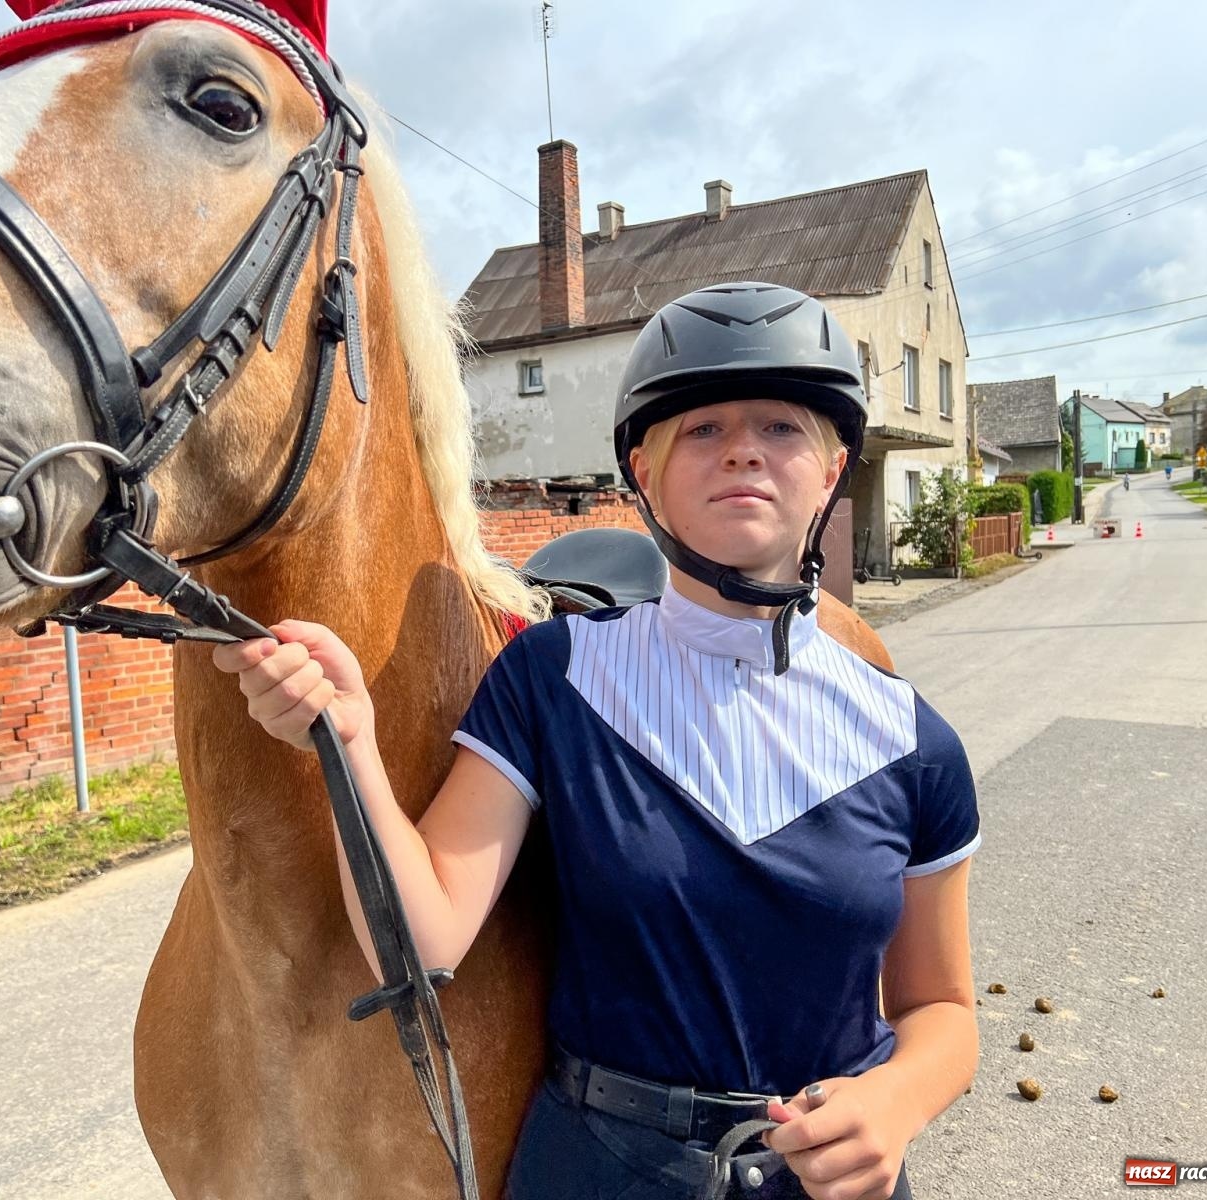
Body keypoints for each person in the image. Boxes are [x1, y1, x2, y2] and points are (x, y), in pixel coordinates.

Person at [213, 282, 981, 1200]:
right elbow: (421, 943)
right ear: (644, 475)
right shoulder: (552, 678)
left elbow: (942, 1008)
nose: (741, 447)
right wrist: (349, 744)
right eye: (700, 429)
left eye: (781, 426)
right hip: (602, 1169)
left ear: (832, 468)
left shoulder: (912, 740)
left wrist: (896, 1101)